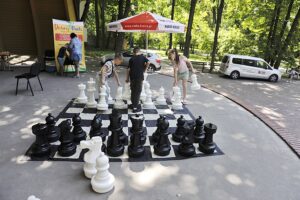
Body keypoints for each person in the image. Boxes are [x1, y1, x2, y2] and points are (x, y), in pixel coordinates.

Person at [125, 47, 149, 113]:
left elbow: (128, 69)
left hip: (132, 77)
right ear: (139, 51)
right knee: (138, 92)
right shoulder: (143, 57)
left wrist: (127, 78)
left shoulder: (131, 59)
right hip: (139, 77)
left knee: (133, 91)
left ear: (133, 52)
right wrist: (144, 69)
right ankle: (135, 108)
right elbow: (148, 62)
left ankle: (133, 104)